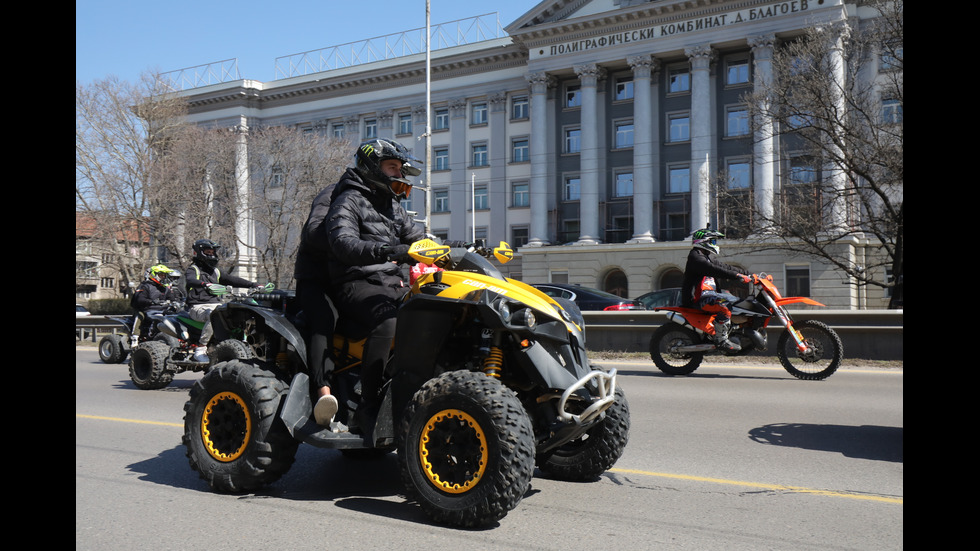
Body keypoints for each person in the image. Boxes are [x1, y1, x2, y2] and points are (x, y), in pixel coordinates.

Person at [324, 138, 425, 435]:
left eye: (400, 168)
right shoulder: (348, 199)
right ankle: (367, 407)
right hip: (355, 280)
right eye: (392, 166)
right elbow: (342, 242)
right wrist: (383, 250)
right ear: (372, 166)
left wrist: (460, 248)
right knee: (389, 322)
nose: (398, 174)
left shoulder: (392, 206)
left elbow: (419, 238)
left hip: (389, 282)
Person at [294, 182, 341, 427]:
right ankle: (324, 392)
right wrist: (345, 237)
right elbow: (313, 231)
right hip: (316, 279)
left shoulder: (382, 200)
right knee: (325, 318)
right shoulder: (332, 194)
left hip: (348, 279)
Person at [184, 239, 260, 363]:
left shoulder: (215, 271)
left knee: (240, 311)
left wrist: (253, 284)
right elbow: (191, 280)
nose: (211, 254)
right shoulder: (193, 269)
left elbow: (232, 279)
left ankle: (246, 343)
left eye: (213, 252)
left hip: (216, 304)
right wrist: (205, 284)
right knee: (215, 314)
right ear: (199, 252)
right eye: (208, 252)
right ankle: (200, 349)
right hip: (197, 307)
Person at [681, 227, 752, 352]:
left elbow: (725, 267)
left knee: (739, 303)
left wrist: (749, 274)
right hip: (699, 298)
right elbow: (715, 270)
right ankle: (721, 340)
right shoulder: (695, 257)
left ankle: (737, 333)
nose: (715, 244)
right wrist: (736, 276)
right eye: (713, 241)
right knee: (724, 305)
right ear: (704, 241)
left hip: (710, 295)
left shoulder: (708, 256)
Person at [130, 264, 181, 342]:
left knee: (176, 315)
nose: (163, 277)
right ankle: (135, 337)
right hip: (147, 310)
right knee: (140, 315)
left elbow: (172, 298)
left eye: (164, 275)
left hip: (162, 310)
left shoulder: (165, 288)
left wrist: (176, 303)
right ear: (154, 274)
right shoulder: (145, 286)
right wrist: (151, 301)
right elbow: (139, 299)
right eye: (161, 275)